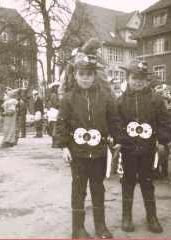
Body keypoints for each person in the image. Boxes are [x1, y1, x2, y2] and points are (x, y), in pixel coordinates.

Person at [55, 52, 123, 239]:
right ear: (75, 75)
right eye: (81, 74)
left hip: (99, 152)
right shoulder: (68, 98)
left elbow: (114, 120)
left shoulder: (105, 97)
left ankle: (100, 226)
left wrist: (117, 140)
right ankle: (78, 229)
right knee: (78, 188)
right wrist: (64, 147)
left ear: (94, 76)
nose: (85, 77)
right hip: (77, 153)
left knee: (98, 187)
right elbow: (61, 124)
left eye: (89, 74)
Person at [117, 59, 171, 233]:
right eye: (134, 77)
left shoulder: (155, 99)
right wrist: (119, 139)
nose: (138, 81)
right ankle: (126, 217)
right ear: (128, 78)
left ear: (146, 80)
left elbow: (164, 121)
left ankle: (152, 217)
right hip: (128, 151)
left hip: (148, 150)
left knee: (148, 183)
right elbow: (116, 124)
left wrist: (163, 141)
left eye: (141, 77)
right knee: (127, 183)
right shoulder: (120, 101)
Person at [47, 82, 60, 147]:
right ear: (55, 88)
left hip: (52, 113)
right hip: (54, 113)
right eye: (57, 87)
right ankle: (55, 143)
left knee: (53, 128)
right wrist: (60, 103)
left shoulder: (51, 95)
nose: (58, 89)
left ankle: (54, 143)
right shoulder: (54, 95)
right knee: (55, 128)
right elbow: (55, 105)